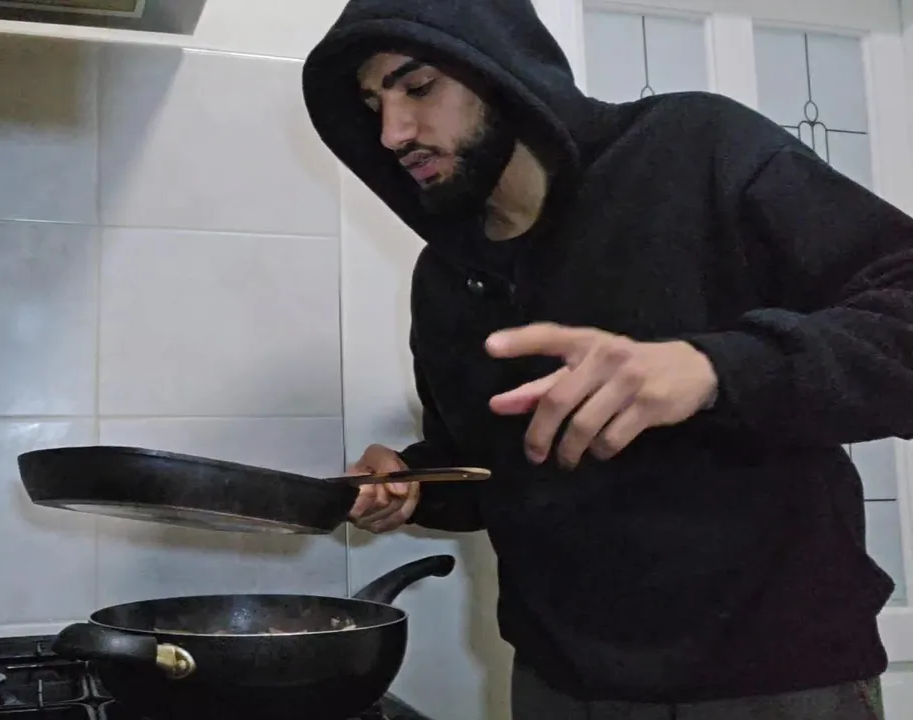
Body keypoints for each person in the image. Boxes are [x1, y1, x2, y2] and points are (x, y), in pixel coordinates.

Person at [301, 0, 913, 718]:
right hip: (560, 689)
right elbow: (493, 471)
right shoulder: (443, 280)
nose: (393, 132)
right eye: (373, 105)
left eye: (418, 86)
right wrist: (417, 482)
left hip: (776, 682)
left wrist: (712, 371)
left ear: (498, 69)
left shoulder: (695, 148)